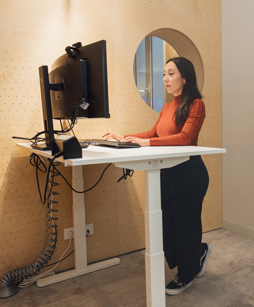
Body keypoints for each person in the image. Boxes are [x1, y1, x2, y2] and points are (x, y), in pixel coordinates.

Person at [102, 57, 211, 295]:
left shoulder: (196, 104)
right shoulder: (167, 107)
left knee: (184, 225)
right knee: (168, 224)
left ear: (185, 77)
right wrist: (124, 137)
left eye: (171, 73)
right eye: (164, 74)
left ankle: (186, 274)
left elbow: (184, 138)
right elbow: (153, 132)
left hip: (190, 173)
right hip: (167, 172)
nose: (165, 79)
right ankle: (198, 252)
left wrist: (145, 142)